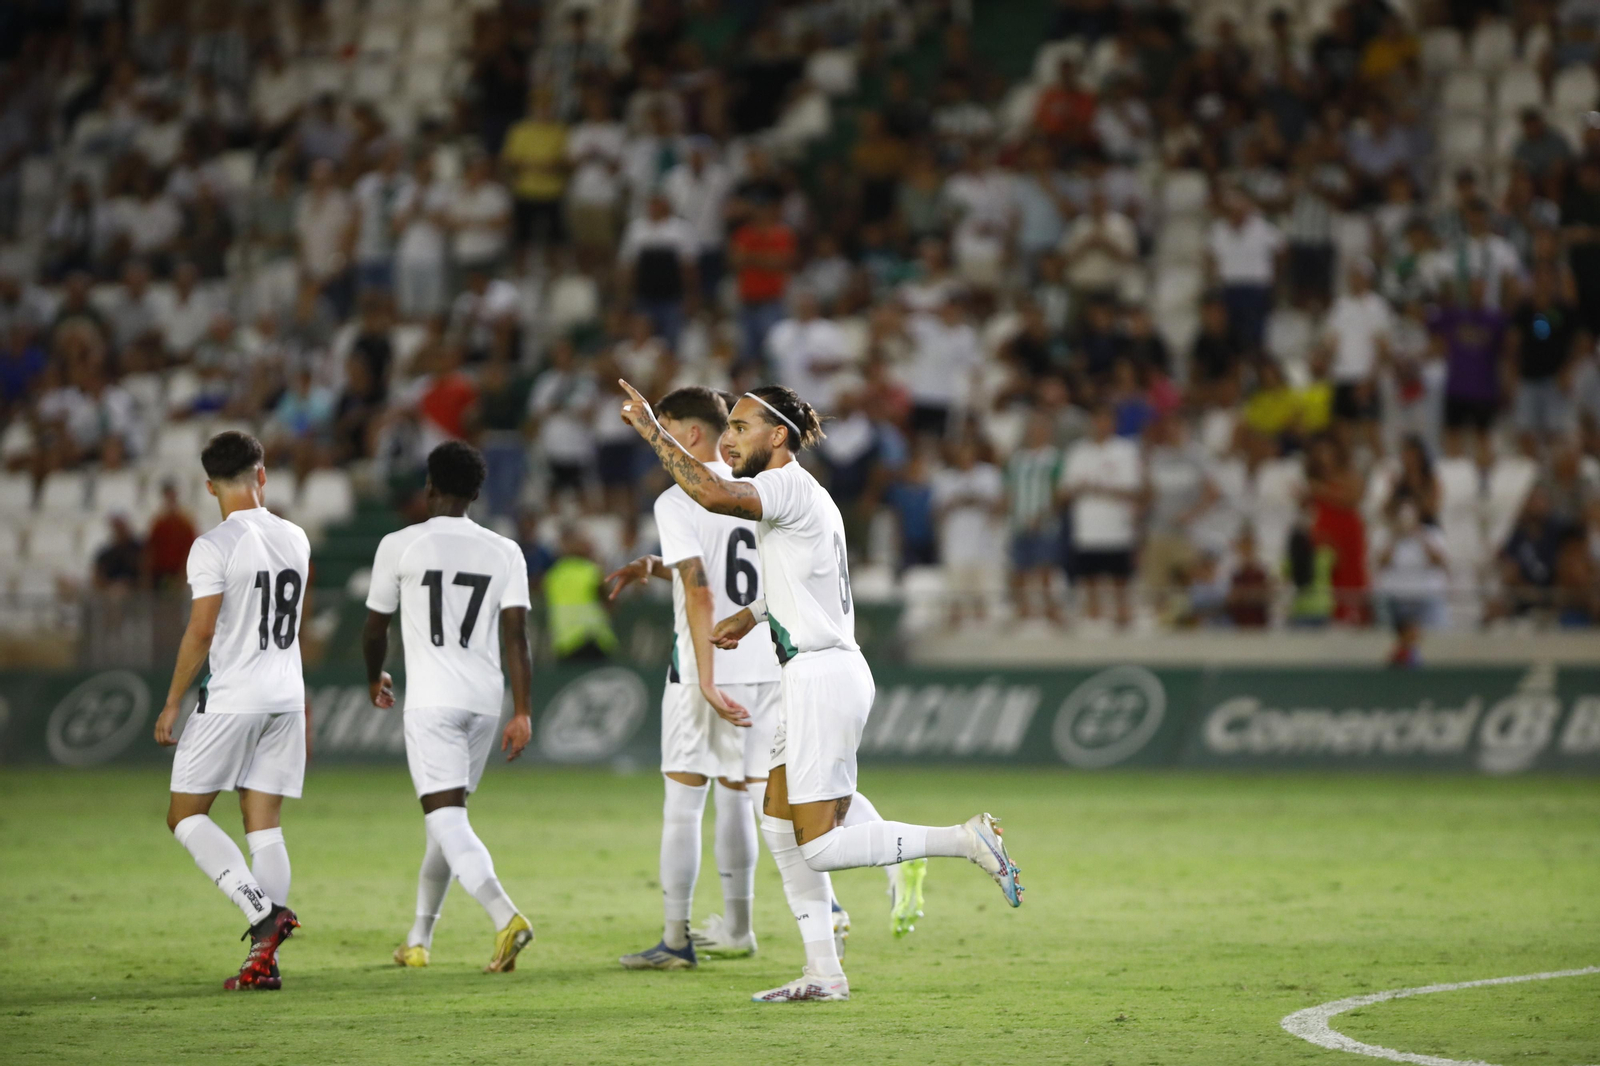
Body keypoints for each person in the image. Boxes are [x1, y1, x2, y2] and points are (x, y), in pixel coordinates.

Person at [617, 380, 1021, 1003]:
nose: (729, 438)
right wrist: (751, 614)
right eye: (727, 428)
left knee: (823, 846)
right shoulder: (811, 498)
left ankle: (963, 840)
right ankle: (823, 973)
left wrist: (651, 430)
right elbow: (810, 580)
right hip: (812, 670)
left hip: (820, 676)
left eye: (742, 427)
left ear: (777, 436)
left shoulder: (782, 484)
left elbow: (711, 491)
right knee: (778, 827)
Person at [604, 388, 781, 969]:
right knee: (747, 798)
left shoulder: (678, 498)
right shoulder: (755, 488)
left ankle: (676, 939)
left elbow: (703, 589)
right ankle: (742, 927)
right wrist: (657, 568)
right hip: (766, 663)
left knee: (684, 803)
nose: (666, 439)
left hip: (707, 667)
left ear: (691, 433)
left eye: (669, 427)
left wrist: (704, 678)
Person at [362, 442, 536, 974]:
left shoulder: (399, 544)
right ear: (478, 493)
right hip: (484, 702)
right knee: (447, 821)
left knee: (447, 818)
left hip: (433, 702)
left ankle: (506, 916)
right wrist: (523, 710)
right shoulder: (505, 550)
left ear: (429, 486)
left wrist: (375, 677)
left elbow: (375, 627)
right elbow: (516, 637)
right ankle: (418, 938)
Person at [152, 431, 310, 991]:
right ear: (261, 475)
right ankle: (266, 961)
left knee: (185, 816)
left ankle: (261, 914)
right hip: (287, 699)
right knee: (263, 826)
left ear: (208, 485)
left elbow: (202, 630)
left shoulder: (213, 545)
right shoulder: (296, 537)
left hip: (235, 698)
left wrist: (172, 701)